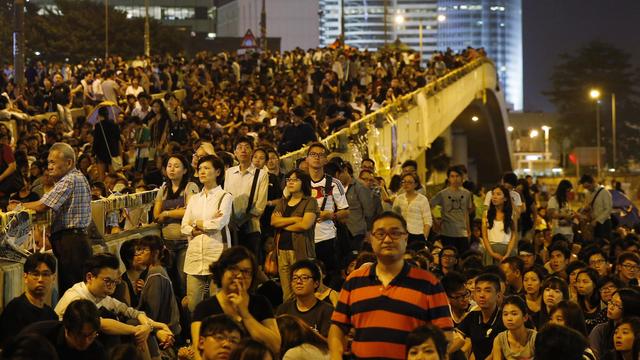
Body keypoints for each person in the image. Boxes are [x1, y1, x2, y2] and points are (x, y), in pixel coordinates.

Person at [329, 211, 453, 360]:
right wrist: (336, 355)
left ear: (405, 237)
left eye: (395, 233)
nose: (387, 239)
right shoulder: (354, 281)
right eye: (380, 234)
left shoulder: (429, 284)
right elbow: (337, 328)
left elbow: (445, 335)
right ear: (371, 239)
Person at [9, 142, 92, 295]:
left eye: (53, 162)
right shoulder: (78, 177)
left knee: (73, 292)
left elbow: (42, 205)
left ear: (68, 163)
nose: (49, 167)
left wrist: (19, 206)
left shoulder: (69, 179)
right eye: (48, 163)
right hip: (75, 241)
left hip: (72, 243)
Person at [54, 253, 174, 353]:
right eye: (107, 281)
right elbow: (101, 323)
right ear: (90, 277)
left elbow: (130, 311)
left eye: (115, 282)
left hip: (92, 344)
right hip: (71, 348)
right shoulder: (76, 297)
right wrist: (138, 329)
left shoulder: (100, 295)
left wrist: (153, 327)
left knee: (137, 326)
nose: (111, 288)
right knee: (125, 330)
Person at [191, 246, 281, 355]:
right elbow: (197, 351)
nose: (239, 275)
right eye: (233, 269)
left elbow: (275, 346)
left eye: (246, 272)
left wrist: (245, 314)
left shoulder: (261, 303)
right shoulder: (204, 308)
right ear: (221, 271)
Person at [181, 155, 233, 312]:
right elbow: (184, 226)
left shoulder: (225, 196)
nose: (202, 171)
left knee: (217, 303)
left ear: (217, 172)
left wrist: (196, 224)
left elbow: (218, 224)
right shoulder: (194, 199)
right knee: (193, 305)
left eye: (207, 168)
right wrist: (197, 226)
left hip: (216, 253)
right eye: (200, 169)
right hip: (195, 255)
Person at [154, 154, 199, 298]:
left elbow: (190, 211)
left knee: (183, 282)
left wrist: (167, 213)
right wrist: (177, 211)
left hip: (184, 242)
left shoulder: (190, 186)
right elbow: (156, 214)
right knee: (169, 282)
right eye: (169, 165)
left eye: (177, 166)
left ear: (185, 170)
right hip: (167, 242)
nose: (172, 169)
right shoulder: (164, 188)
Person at [303, 142, 349, 285]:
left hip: (327, 238)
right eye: (313, 154)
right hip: (304, 238)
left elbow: (345, 212)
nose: (317, 158)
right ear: (307, 159)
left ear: (325, 160)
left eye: (321, 155)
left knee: (329, 278)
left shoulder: (335, 183)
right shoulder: (300, 182)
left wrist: (331, 215)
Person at [270, 169, 318, 300]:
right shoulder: (283, 202)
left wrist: (283, 223)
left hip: (300, 250)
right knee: (287, 293)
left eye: (295, 180)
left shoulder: (309, 201)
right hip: (281, 251)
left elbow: (304, 225)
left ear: (304, 183)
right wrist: (295, 219)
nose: (290, 183)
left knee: (302, 290)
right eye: (288, 180)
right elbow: (273, 221)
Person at [224, 136, 269, 260]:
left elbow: (260, 205)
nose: (243, 150)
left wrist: (241, 221)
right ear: (235, 152)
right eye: (239, 148)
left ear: (252, 151)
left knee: (251, 263)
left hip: (251, 227)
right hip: (231, 227)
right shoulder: (229, 173)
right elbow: (226, 198)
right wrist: (230, 221)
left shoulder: (261, 174)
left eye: (247, 147)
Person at [0, 253, 58, 346]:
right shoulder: (14, 309)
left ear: (53, 278)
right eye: (35, 274)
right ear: (25, 277)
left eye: (46, 274)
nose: (40, 279)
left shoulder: (52, 316)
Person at [19, 299, 106, 360]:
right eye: (80, 335)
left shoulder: (96, 350)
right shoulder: (39, 337)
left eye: (91, 335)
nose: (86, 341)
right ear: (66, 327)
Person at [133, 235, 182, 335]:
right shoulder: (157, 270)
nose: (138, 253)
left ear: (155, 253)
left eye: (144, 250)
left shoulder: (155, 273)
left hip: (163, 330)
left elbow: (152, 312)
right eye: (138, 249)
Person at [451, 273, 506, 360]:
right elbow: (457, 337)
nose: (481, 295)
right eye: (478, 290)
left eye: (487, 291)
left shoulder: (504, 319)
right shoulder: (472, 316)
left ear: (498, 295)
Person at [327, 159, 376, 253]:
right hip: (341, 234)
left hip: (357, 234)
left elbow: (369, 212)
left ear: (345, 170)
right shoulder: (335, 188)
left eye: (338, 175)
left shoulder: (359, 187)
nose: (336, 179)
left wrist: (368, 233)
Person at [276, 260, 334, 337]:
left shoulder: (326, 311)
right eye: (295, 278)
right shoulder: (283, 310)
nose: (298, 282)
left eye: (304, 278)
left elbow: (327, 343)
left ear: (316, 283)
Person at [430, 166, 474, 255]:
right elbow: (428, 206)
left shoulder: (467, 194)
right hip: (447, 232)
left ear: (462, 177)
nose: (455, 179)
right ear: (448, 178)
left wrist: (468, 230)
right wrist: (435, 222)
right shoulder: (442, 194)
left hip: (462, 233)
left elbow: (466, 212)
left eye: (457, 176)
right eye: (452, 176)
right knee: (449, 256)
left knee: (463, 258)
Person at [589, 288, 640, 359]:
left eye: (616, 304)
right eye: (611, 302)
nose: (610, 307)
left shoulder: (637, 330)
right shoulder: (600, 330)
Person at [392, 172, 433, 246]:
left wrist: (424, 237)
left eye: (410, 182)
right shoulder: (398, 199)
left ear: (416, 184)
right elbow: (393, 217)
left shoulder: (422, 199)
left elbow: (428, 220)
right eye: (404, 182)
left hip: (418, 234)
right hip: (401, 234)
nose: (406, 184)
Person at [491, 295, 537, 360]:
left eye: (514, 314)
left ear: (525, 317)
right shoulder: (499, 339)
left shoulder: (535, 338)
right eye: (505, 314)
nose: (509, 318)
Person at [482, 185, 517, 265]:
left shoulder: (512, 214)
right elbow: (484, 236)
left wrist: (508, 253)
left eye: (498, 194)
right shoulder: (486, 214)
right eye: (493, 194)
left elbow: (514, 234)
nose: (494, 197)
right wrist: (492, 253)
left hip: (507, 250)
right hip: (491, 249)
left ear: (505, 198)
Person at [579, 174, 613, 243]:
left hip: (604, 223)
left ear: (593, 182)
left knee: (605, 244)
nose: (587, 189)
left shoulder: (604, 192)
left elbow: (608, 209)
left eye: (588, 186)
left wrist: (597, 220)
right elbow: (588, 206)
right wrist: (586, 209)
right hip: (593, 223)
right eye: (585, 187)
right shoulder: (588, 193)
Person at [92, 106, 121, 178]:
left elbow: (96, 141)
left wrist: (93, 153)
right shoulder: (115, 125)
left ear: (99, 115)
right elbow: (118, 140)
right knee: (113, 176)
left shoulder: (98, 126)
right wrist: (119, 154)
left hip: (101, 153)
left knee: (102, 176)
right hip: (113, 152)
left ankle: (104, 188)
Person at [576, 268, 607, 333]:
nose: (580, 285)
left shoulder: (603, 304)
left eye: (585, 282)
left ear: (594, 284)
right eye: (578, 281)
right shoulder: (574, 304)